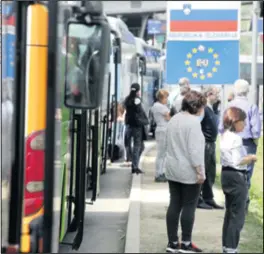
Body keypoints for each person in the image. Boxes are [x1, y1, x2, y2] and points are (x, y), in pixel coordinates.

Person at [164, 91, 206, 253]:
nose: (203, 109)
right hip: (189, 171)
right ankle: (186, 243)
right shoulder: (194, 123)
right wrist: (200, 172)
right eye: (202, 106)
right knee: (189, 205)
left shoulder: (174, 119)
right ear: (197, 106)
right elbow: (194, 151)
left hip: (173, 168)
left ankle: (172, 242)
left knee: (174, 203)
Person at [219, 79, 262, 212]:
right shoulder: (252, 107)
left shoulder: (228, 106)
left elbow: (220, 127)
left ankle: (231, 203)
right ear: (247, 91)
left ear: (235, 90)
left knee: (230, 169)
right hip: (247, 143)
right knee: (245, 174)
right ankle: (243, 205)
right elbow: (256, 131)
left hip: (228, 140)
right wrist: (256, 142)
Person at [220, 107, 257, 253]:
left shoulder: (225, 135)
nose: (245, 125)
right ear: (235, 122)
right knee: (237, 215)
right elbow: (238, 161)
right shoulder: (236, 138)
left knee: (229, 213)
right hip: (236, 176)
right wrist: (250, 158)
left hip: (226, 174)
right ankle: (231, 248)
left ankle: (226, 245)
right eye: (243, 122)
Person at [198, 86, 224, 209]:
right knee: (204, 170)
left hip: (211, 143)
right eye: (216, 94)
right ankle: (199, 198)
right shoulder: (203, 109)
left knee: (211, 172)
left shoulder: (210, 108)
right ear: (209, 94)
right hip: (205, 143)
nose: (218, 97)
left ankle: (208, 197)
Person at [123, 83, 149, 174]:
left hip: (128, 125)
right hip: (137, 126)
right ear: (138, 91)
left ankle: (132, 161)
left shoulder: (127, 99)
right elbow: (139, 111)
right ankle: (135, 166)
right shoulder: (137, 100)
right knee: (138, 146)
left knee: (132, 144)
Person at [151, 89, 170, 182]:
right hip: (163, 130)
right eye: (166, 97)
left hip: (162, 129)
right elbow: (169, 117)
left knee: (163, 153)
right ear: (162, 98)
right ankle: (159, 173)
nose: (167, 100)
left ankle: (161, 172)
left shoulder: (156, 106)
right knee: (162, 153)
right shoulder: (160, 107)